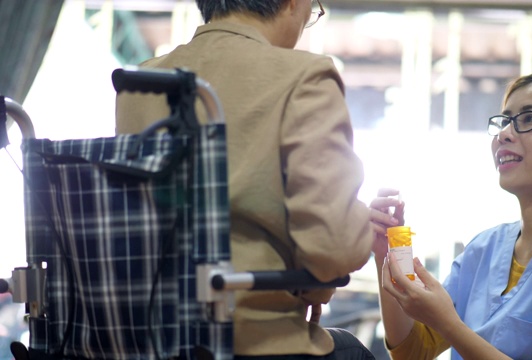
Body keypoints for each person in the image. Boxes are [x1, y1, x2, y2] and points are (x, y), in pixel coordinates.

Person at [115, 0, 374, 359]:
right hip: (250, 338)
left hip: (146, 338)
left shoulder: (141, 82)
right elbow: (333, 249)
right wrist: (360, 225)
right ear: (293, 4)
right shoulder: (304, 76)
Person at [369, 73, 532, 359]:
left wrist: (448, 324)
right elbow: (412, 351)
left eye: (529, 119)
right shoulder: (484, 249)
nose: (504, 134)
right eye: (505, 121)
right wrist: (386, 253)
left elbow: (443, 327)